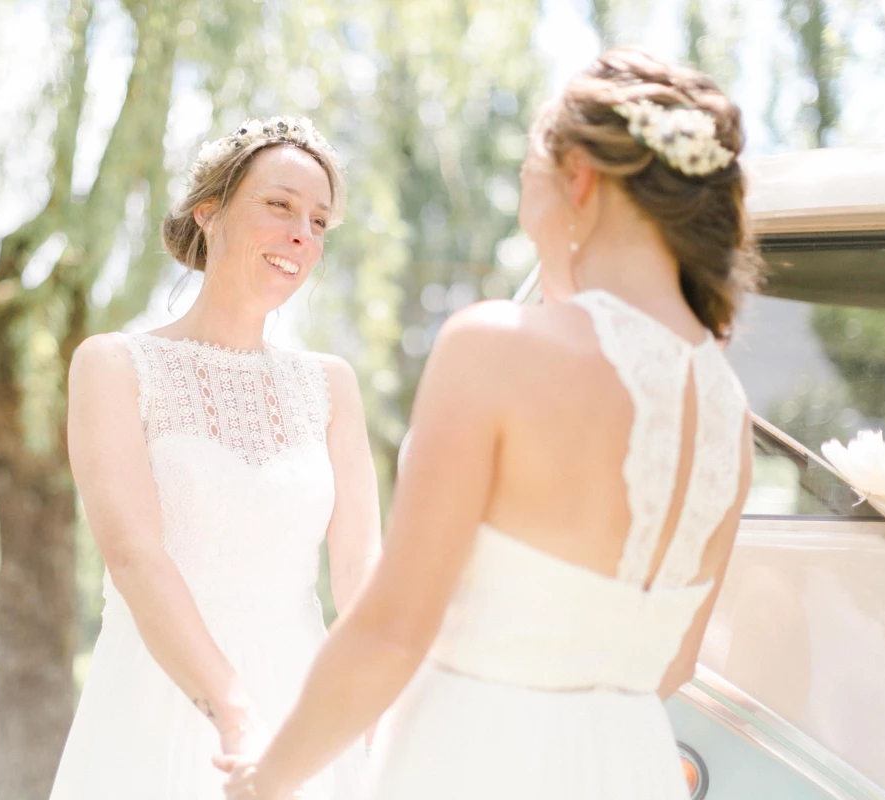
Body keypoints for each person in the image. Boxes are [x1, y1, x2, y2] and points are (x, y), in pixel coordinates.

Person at [218, 48, 759, 800]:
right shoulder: (728, 412)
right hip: (629, 764)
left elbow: (391, 630)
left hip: (476, 757)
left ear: (577, 180)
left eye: (525, 179)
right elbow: (674, 663)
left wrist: (264, 779)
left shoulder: (497, 347)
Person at [51, 116, 378, 799]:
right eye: (279, 206)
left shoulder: (331, 387)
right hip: (156, 701)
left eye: (319, 221)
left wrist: (394, 694)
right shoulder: (114, 367)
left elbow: (357, 572)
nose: (302, 235)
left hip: (303, 711)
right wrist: (234, 715)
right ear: (210, 213)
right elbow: (136, 556)